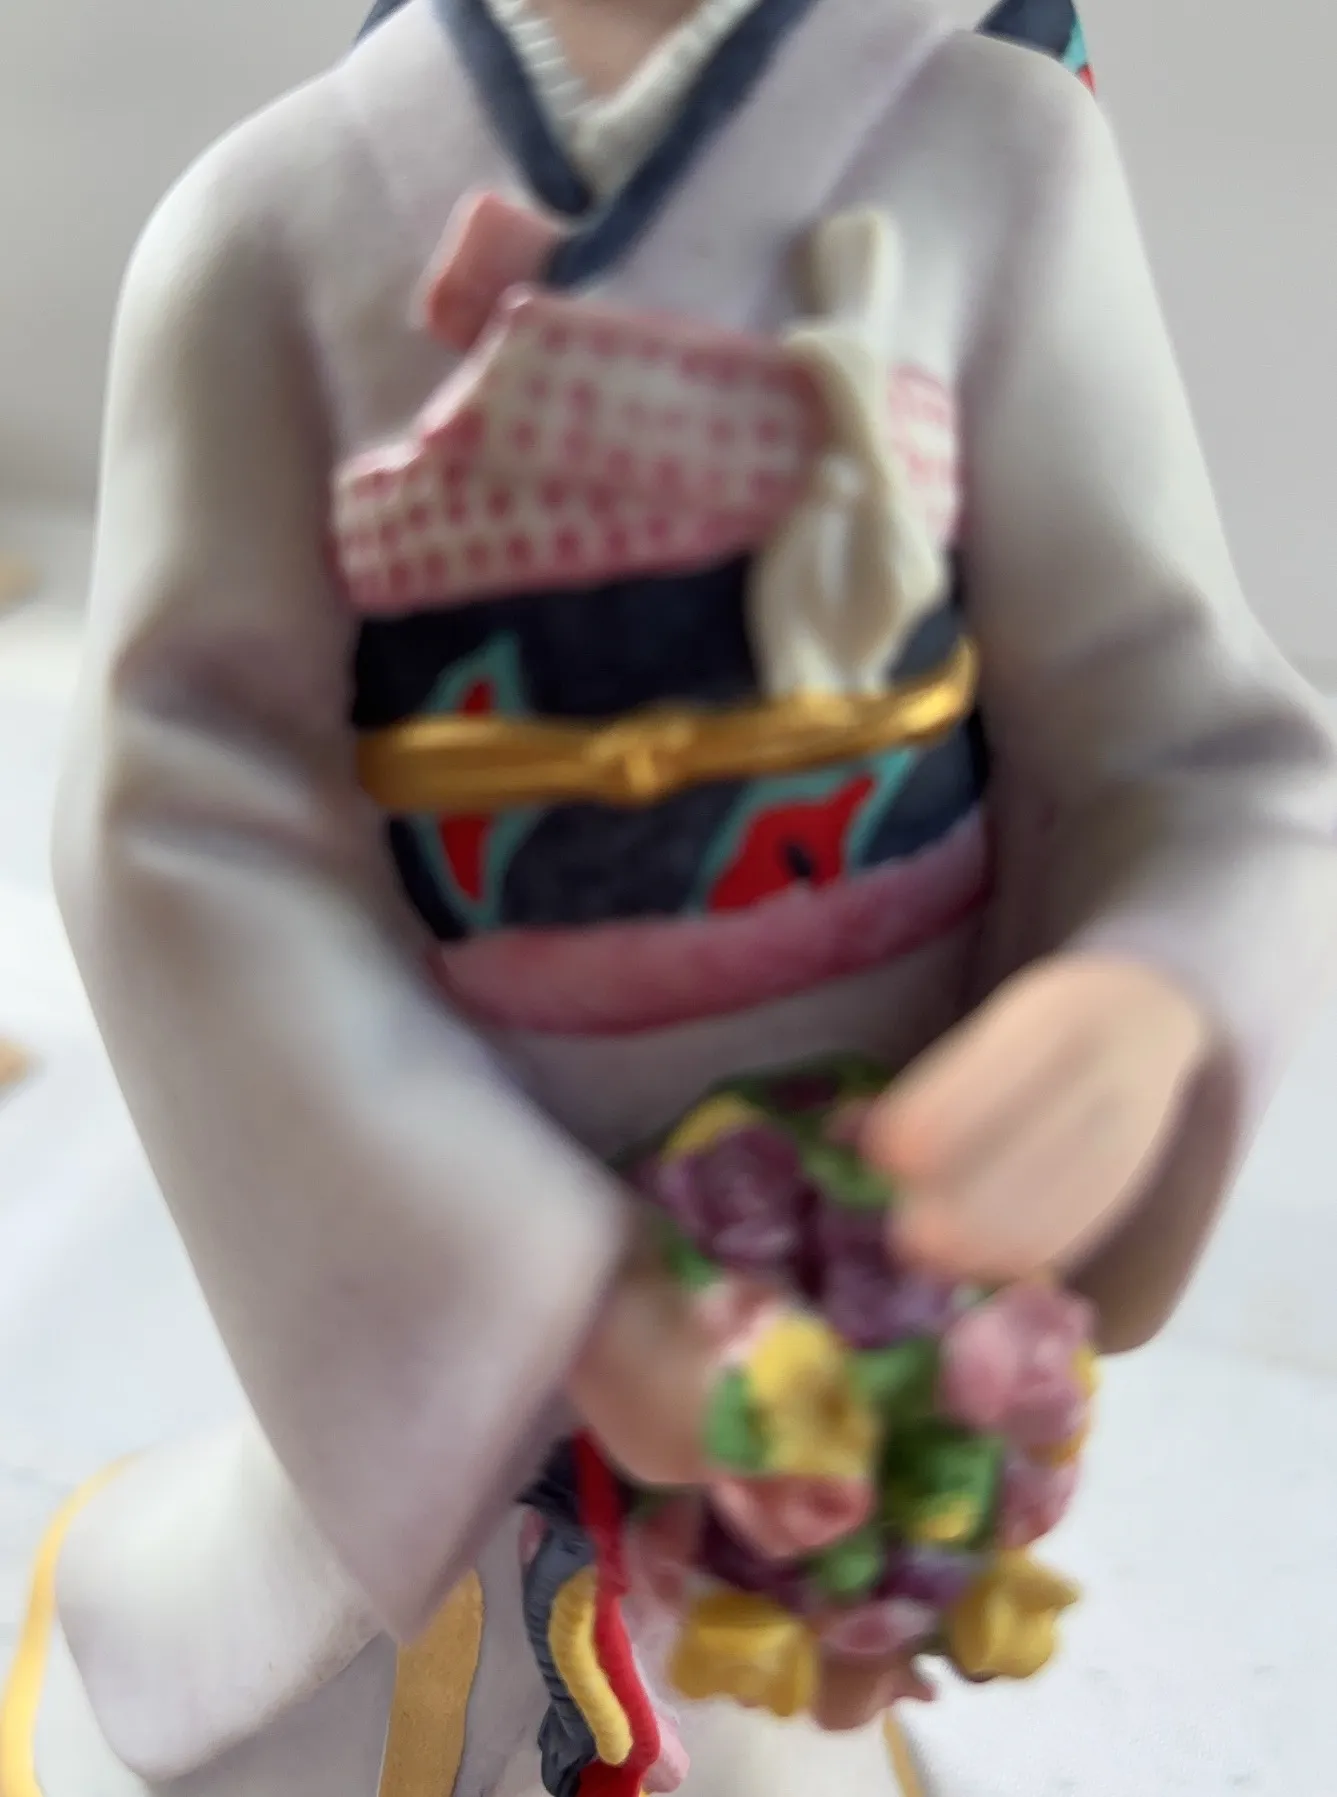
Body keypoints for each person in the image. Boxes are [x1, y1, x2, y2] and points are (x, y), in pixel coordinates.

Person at [4, 2, 1336, 1795]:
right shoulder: (260, 231)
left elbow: (1193, 737)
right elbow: (178, 840)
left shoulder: (998, 156)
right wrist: (566, 1290)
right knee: (398, 1635)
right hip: (445, 1167)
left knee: (767, 1635)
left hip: (859, 1184)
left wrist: (1148, 993)